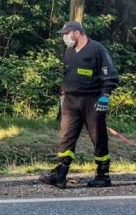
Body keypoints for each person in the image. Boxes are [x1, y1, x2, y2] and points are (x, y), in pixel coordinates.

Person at [40, 20, 119, 189]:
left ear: (76, 32)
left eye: (66, 34)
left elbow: (109, 74)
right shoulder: (69, 51)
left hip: (93, 100)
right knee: (66, 136)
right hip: (70, 101)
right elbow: (67, 74)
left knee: (98, 137)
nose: (65, 38)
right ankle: (61, 174)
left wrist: (105, 96)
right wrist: (63, 92)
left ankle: (103, 174)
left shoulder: (97, 49)